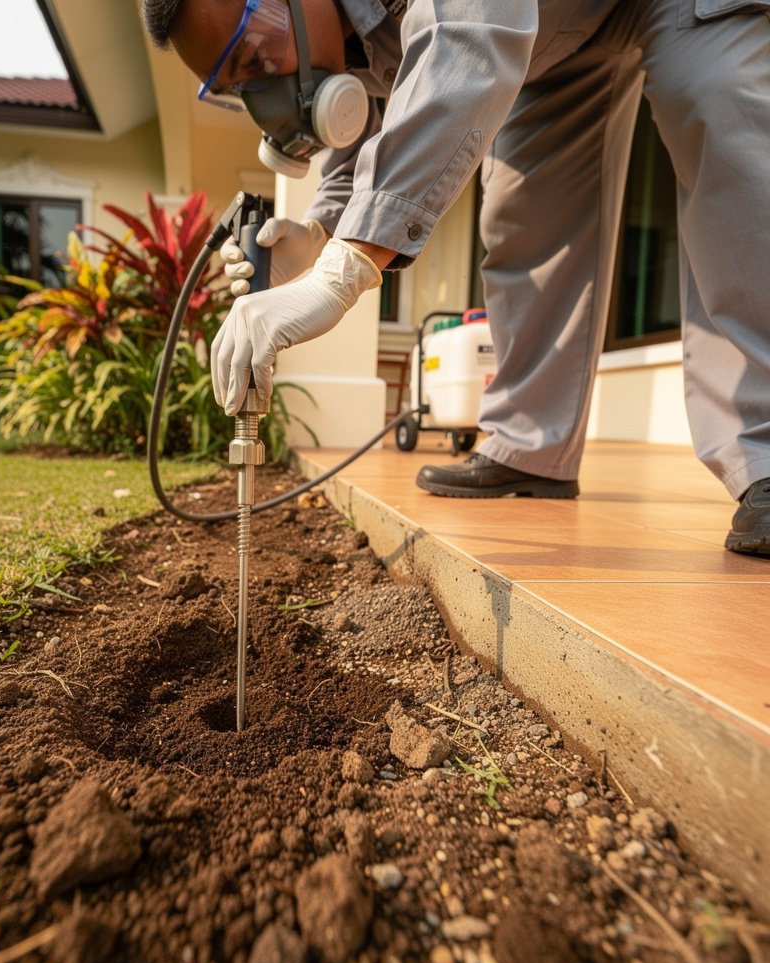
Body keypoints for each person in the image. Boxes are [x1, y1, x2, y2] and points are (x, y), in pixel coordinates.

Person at [139, 0, 770, 557]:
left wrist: (343, 272)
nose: (265, 94)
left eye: (253, 57)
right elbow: (387, 110)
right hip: (552, 32)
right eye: (238, 87)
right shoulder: (341, 36)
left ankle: (763, 459)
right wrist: (320, 233)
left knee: (719, 112)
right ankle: (532, 449)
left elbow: (466, 36)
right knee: (526, 215)